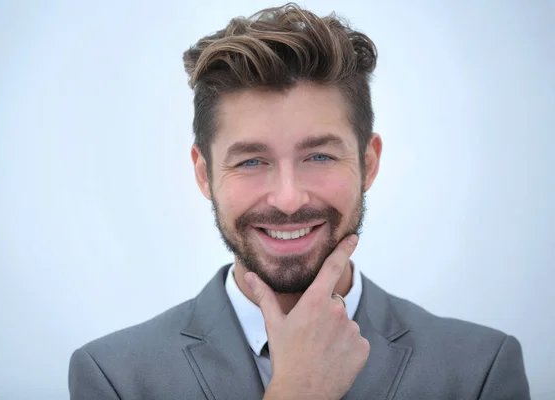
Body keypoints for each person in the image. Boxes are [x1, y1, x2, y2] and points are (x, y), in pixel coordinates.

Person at [68, 4, 530, 399]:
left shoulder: (479, 370)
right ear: (204, 174)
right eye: (251, 161)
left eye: (319, 155)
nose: (288, 199)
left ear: (368, 163)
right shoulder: (115, 378)